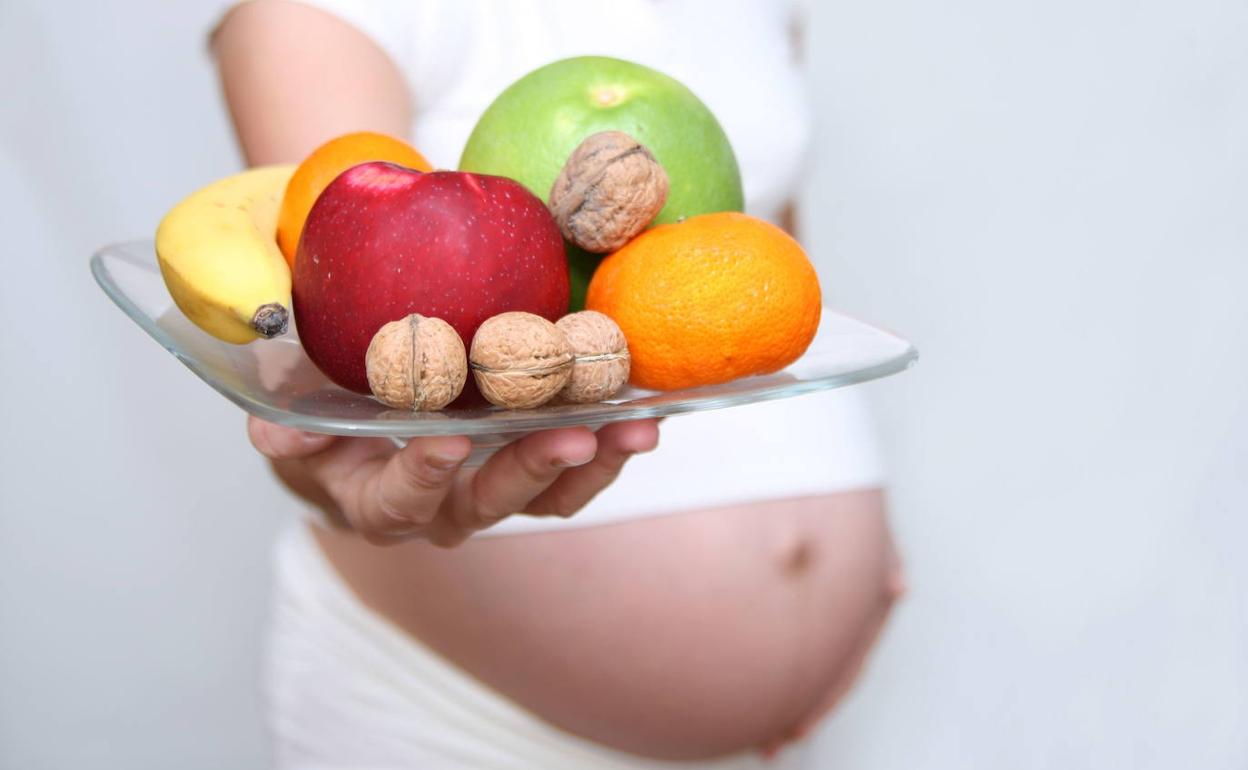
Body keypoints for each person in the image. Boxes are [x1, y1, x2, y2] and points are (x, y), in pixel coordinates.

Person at [213, 1, 905, 767]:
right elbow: (339, 344)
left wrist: (847, 549)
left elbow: (764, 267)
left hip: (774, 731)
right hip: (454, 720)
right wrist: (341, 481)